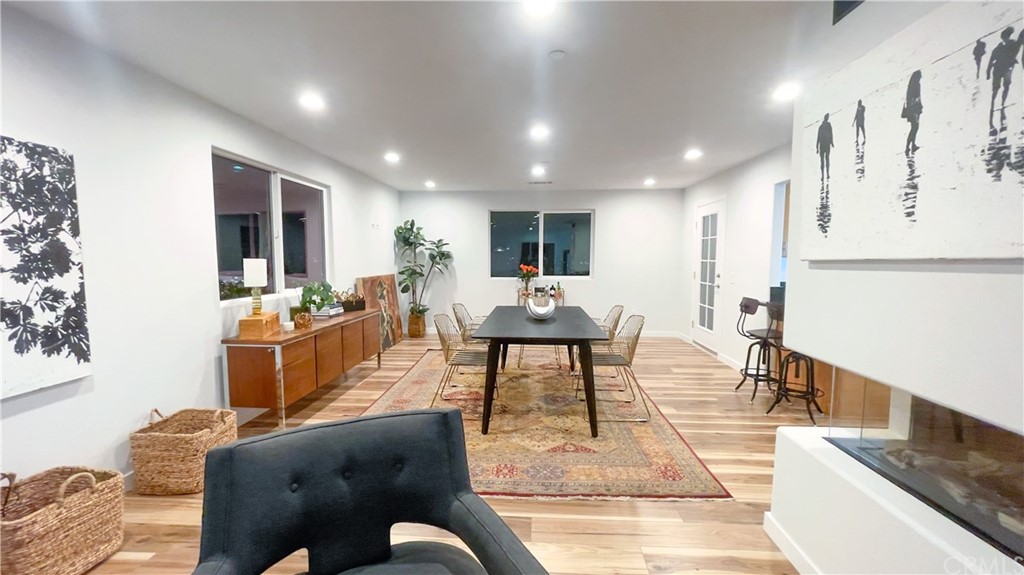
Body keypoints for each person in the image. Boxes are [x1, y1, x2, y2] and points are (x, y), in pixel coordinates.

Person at [987, 26, 1017, 130]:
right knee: (996, 89)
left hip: (1006, 70)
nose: (1006, 39)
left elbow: (1013, 55)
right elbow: (991, 61)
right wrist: (988, 72)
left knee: (1006, 86)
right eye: (1005, 37)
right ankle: (994, 104)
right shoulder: (998, 48)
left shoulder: (1012, 44)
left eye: (1007, 37)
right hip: (999, 71)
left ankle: (1002, 103)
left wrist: (1013, 61)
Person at [903, 70, 923, 155]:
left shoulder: (911, 85)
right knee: (914, 128)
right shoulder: (915, 85)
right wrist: (917, 102)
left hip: (913, 109)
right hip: (914, 110)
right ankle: (908, 146)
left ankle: (911, 146)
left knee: (914, 128)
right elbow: (914, 98)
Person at [815, 113, 834, 181]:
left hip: (823, 145)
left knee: (823, 161)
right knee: (826, 159)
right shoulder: (828, 125)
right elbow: (830, 134)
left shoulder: (821, 127)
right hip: (825, 145)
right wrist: (832, 142)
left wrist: (817, 147)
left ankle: (824, 175)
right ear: (826, 118)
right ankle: (826, 174)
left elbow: (818, 138)